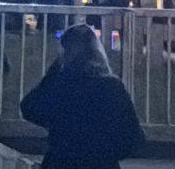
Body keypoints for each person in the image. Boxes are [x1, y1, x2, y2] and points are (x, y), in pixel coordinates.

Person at [21, 24, 145, 168]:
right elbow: (134, 137)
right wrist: (106, 154)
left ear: (65, 53)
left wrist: (53, 72)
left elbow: (29, 108)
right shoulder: (112, 87)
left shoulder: (60, 84)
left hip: (61, 162)